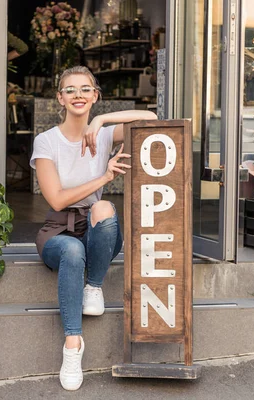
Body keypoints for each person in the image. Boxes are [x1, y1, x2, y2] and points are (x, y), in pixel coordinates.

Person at [29, 66, 157, 391]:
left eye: (85, 89)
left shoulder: (101, 133)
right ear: (60, 97)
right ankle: (73, 345)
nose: (78, 96)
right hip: (58, 232)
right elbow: (56, 200)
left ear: (95, 96)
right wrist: (105, 177)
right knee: (72, 249)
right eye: (70, 90)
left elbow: (150, 118)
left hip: (97, 230)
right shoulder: (46, 142)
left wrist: (102, 121)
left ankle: (94, 286)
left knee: (104, 207)